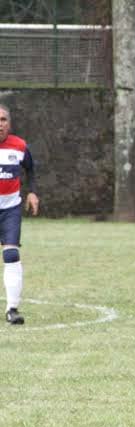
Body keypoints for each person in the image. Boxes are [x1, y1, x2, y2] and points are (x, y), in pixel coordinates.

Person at [0, 105, 39, 325]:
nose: (0, 123)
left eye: (3, 119)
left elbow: (31, 169)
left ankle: (12, 309)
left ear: (9, 123)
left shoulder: (19, 146)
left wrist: (32, 192)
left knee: (11, 256)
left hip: (10, 210)